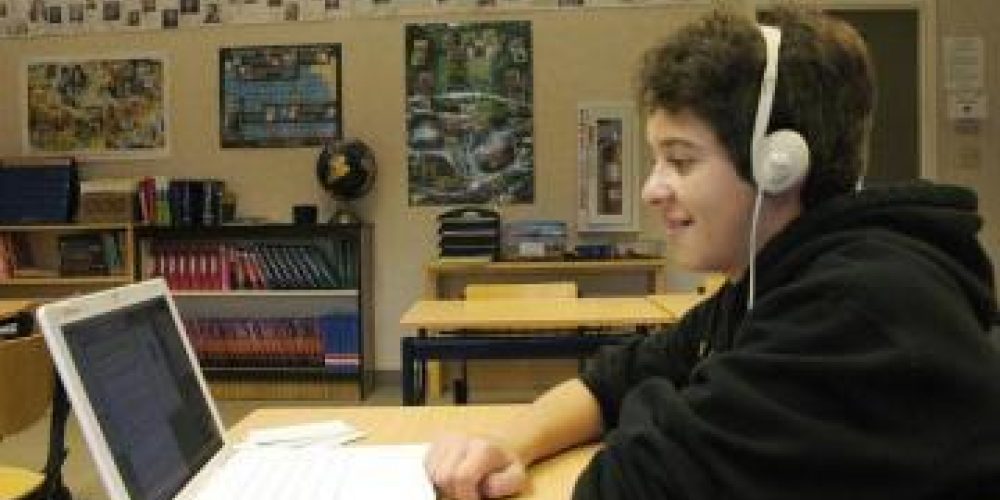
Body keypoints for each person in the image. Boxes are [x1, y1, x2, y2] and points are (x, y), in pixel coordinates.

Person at [424, 5, 1000, 500]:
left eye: (681, 159)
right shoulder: (773, 279)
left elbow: (633, 482)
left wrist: (666, 398)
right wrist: (507, 444)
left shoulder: (854, 309)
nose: (652, 189)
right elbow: (614, 379)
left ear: (779, 166)